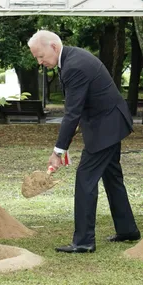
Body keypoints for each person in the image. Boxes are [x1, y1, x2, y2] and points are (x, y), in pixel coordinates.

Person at [27, 30, 140, 253]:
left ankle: (84, 241)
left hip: (107, 125)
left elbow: (72, 113)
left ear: (54, 47)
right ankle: (128, 230)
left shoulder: (74, 66)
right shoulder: (71, 59)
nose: (40, 62)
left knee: (85, 179)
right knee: (112, 176)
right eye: (37, 58)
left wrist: (58, 151)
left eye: (41, 56)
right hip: (109, 122)